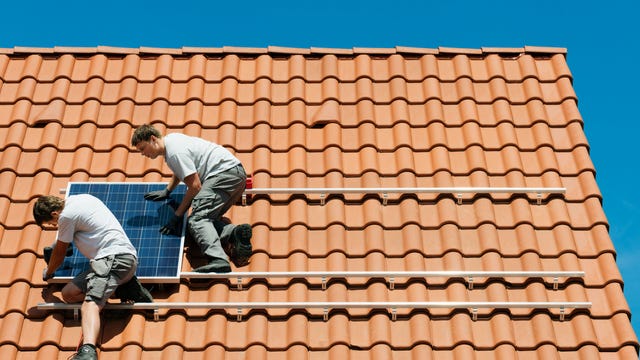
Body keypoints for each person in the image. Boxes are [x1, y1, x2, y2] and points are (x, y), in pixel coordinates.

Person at [33, 194, 153, 360]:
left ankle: (88, 352)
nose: (55, 227)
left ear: (54, 214)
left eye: (52, 224)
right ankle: (127, 290)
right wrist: (57, 245)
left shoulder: (66, 216)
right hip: (110, 262)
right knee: (68, 294)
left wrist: (49, 271)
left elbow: (60, 253)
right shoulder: (81, 199)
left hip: (113, 259)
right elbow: (74, 234)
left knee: (90, 305)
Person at [131, 124, 252, 273]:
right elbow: (181, 169)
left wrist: (177, 216)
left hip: (222, 175)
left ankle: (218, 259)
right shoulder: (172, 141)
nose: (143, 154)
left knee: (197, 220)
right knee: (205, 221)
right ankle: (234, 232)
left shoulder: (174, 152)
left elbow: (195, 186)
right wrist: (168, 190)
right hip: (236, 176)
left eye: (143, 148)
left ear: (153, 139)